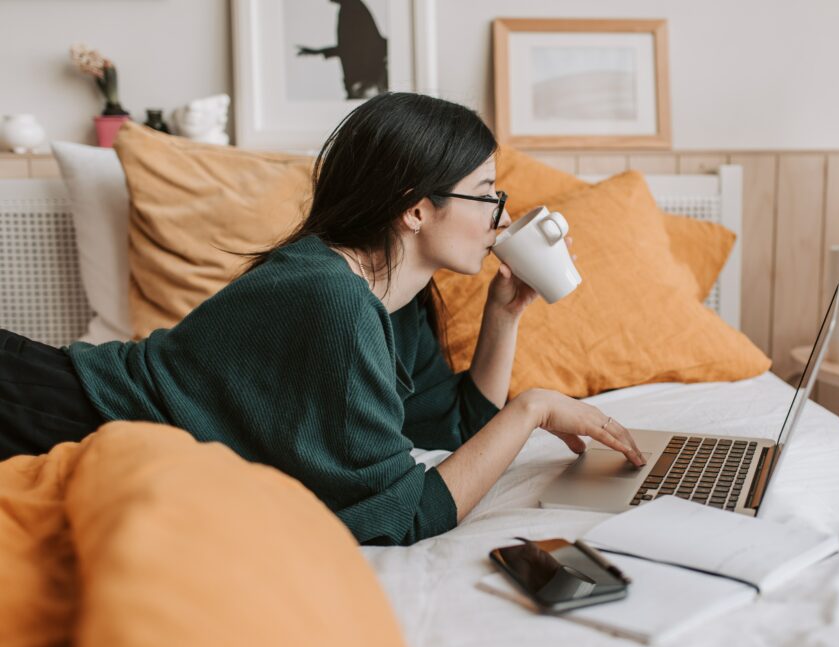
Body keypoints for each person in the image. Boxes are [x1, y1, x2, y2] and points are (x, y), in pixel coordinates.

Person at [0, 92, 644, 545]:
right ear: (415, 210)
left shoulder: (395, 296)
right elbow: (406, 517)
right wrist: (531, 409)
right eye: (486, 194)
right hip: (54, 413)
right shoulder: (332, 301)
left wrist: (504, 318)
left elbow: (450, 429)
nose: (502, 217)